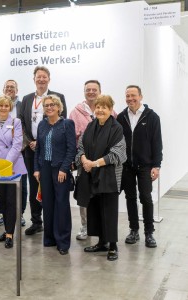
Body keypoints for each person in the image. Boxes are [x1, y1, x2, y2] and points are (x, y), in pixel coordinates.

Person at [75, 95, 127, 261]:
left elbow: (118, 154)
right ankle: (101, 242)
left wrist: (94, 163)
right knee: (95, 209)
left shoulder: (116, 128)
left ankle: (112, 245)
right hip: (91, 175)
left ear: (110, 109)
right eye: (98, 107)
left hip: (109, 176)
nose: (100, 110)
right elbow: (81, 146)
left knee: (109, 211)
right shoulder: (91, 126)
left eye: (104, 107)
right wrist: (84, 160)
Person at [18, 66, 67, 236]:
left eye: (44, 77)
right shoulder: (25, 99)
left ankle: (51, 222)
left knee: (52, 187)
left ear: (49, 79)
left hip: (52, 151)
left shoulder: (58, 97)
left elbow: (63, 123)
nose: (41, 80)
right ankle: (36, 221)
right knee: (34, 185)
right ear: (34, 79)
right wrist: (30, 142)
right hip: (31, 150)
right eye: (38, 77)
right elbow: (21, 123)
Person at [117, 85, 163, 248]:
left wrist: (156, 165)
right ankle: (134, 230)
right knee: (130, 198)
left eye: (133, 95)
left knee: (146, 197)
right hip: (127, 166)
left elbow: (157, 143)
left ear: (141, 96)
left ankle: (149, 232)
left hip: (145, 165)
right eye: (127, 95)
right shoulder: (121, 117)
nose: (130, 98)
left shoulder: (152, 117)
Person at [33, 95, 76, 255]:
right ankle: (50, 238)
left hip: (60, 170)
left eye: (52, 105)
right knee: (48, 204)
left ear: (59, 107)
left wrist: (64, 169)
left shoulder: (67, 124)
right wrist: (36, 168)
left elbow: (72, 149)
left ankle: (63, 242)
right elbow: (38, 149)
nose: (49, 108)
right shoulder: (42, 125)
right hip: (44, 169)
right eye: (46, 105)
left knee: (62, 205)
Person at [0, 95, 27, 249]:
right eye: (1, 106)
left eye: (6, 106)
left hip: (13, 167)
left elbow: (17, 145)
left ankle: (10, 233)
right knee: (1, 199)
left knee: (12, 201)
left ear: (10, 107)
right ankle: (6, 229)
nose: (3, 108)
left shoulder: (16, 122)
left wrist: (6, 164)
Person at [69, 80, 102, 240]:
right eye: (88, 89)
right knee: (84, 196)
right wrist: (77, 159)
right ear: (84, 92)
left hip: (103, 163)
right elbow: (71, 138)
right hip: (83, 161)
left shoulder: (108, 110)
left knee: (101, 196)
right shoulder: (75, 112)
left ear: (99, 91)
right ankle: (84, 226)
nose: (91, 92)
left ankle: (101, 227)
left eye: (94, 89)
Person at [0, 80, 27, 228]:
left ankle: (19, 214)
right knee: (0, 186)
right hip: (0, 155)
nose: (9, 89)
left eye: (12, 87)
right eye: (7, 87)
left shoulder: (22, 105)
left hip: (20, 151)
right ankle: (3, 213)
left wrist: (23, 144)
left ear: (17, 89)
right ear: (3, 88)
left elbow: (25, 126)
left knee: (20, 185)